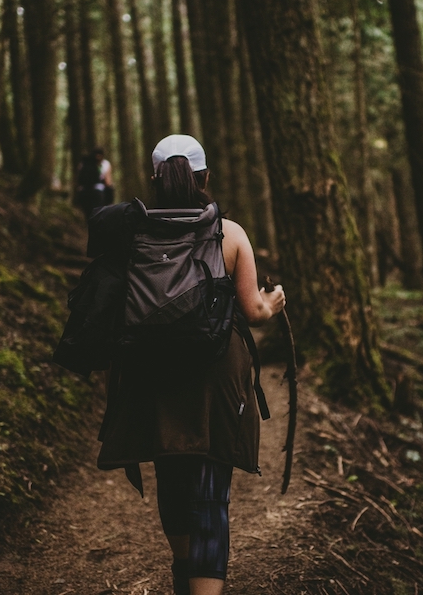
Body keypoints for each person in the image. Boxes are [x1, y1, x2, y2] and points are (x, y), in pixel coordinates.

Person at [92, 134, 285, 595]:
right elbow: (253, 313)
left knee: (172, 479)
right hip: (214, 374)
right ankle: (201, 579)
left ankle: (185, 570)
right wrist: (273, 302)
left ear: (155, 178)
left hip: (149, 373)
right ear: (205, 178)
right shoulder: (229, 232)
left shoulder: (130, 232)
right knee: (210, 494)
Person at [75, 147, 114, 218]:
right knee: (98, 212)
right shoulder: (105, 164)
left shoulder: (84, 162)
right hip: (98, 192)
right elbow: (108, 182)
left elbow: (79, 178)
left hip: (83, 192)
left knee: (87, 213)